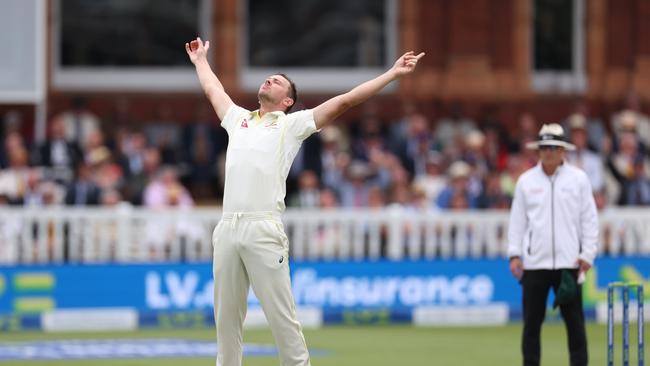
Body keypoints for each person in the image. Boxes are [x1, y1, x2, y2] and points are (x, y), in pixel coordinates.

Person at [185, 37, 424, 366]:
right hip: (227, 229)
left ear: (287, 101)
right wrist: (200, 61)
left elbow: (345, 101)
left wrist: (392, 74)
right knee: (226, 325)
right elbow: (215, 91)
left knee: (283, 323)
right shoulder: (238, 119)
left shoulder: (290, 125)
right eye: (270, 76)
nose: (270, 78)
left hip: (263, 228)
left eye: (279, 81)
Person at [507, 123, 598, 366]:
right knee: (531, 326)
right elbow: (517, 221)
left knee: (575, 325)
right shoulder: (526, 181)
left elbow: (589, 219)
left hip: (569, 263)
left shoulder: (578, 179)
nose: (549, 152)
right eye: (545, 147)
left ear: (563, 151)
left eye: (554, 147)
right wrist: (515, 254)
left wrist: (587, 254)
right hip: (535, 264)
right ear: (538, 150)